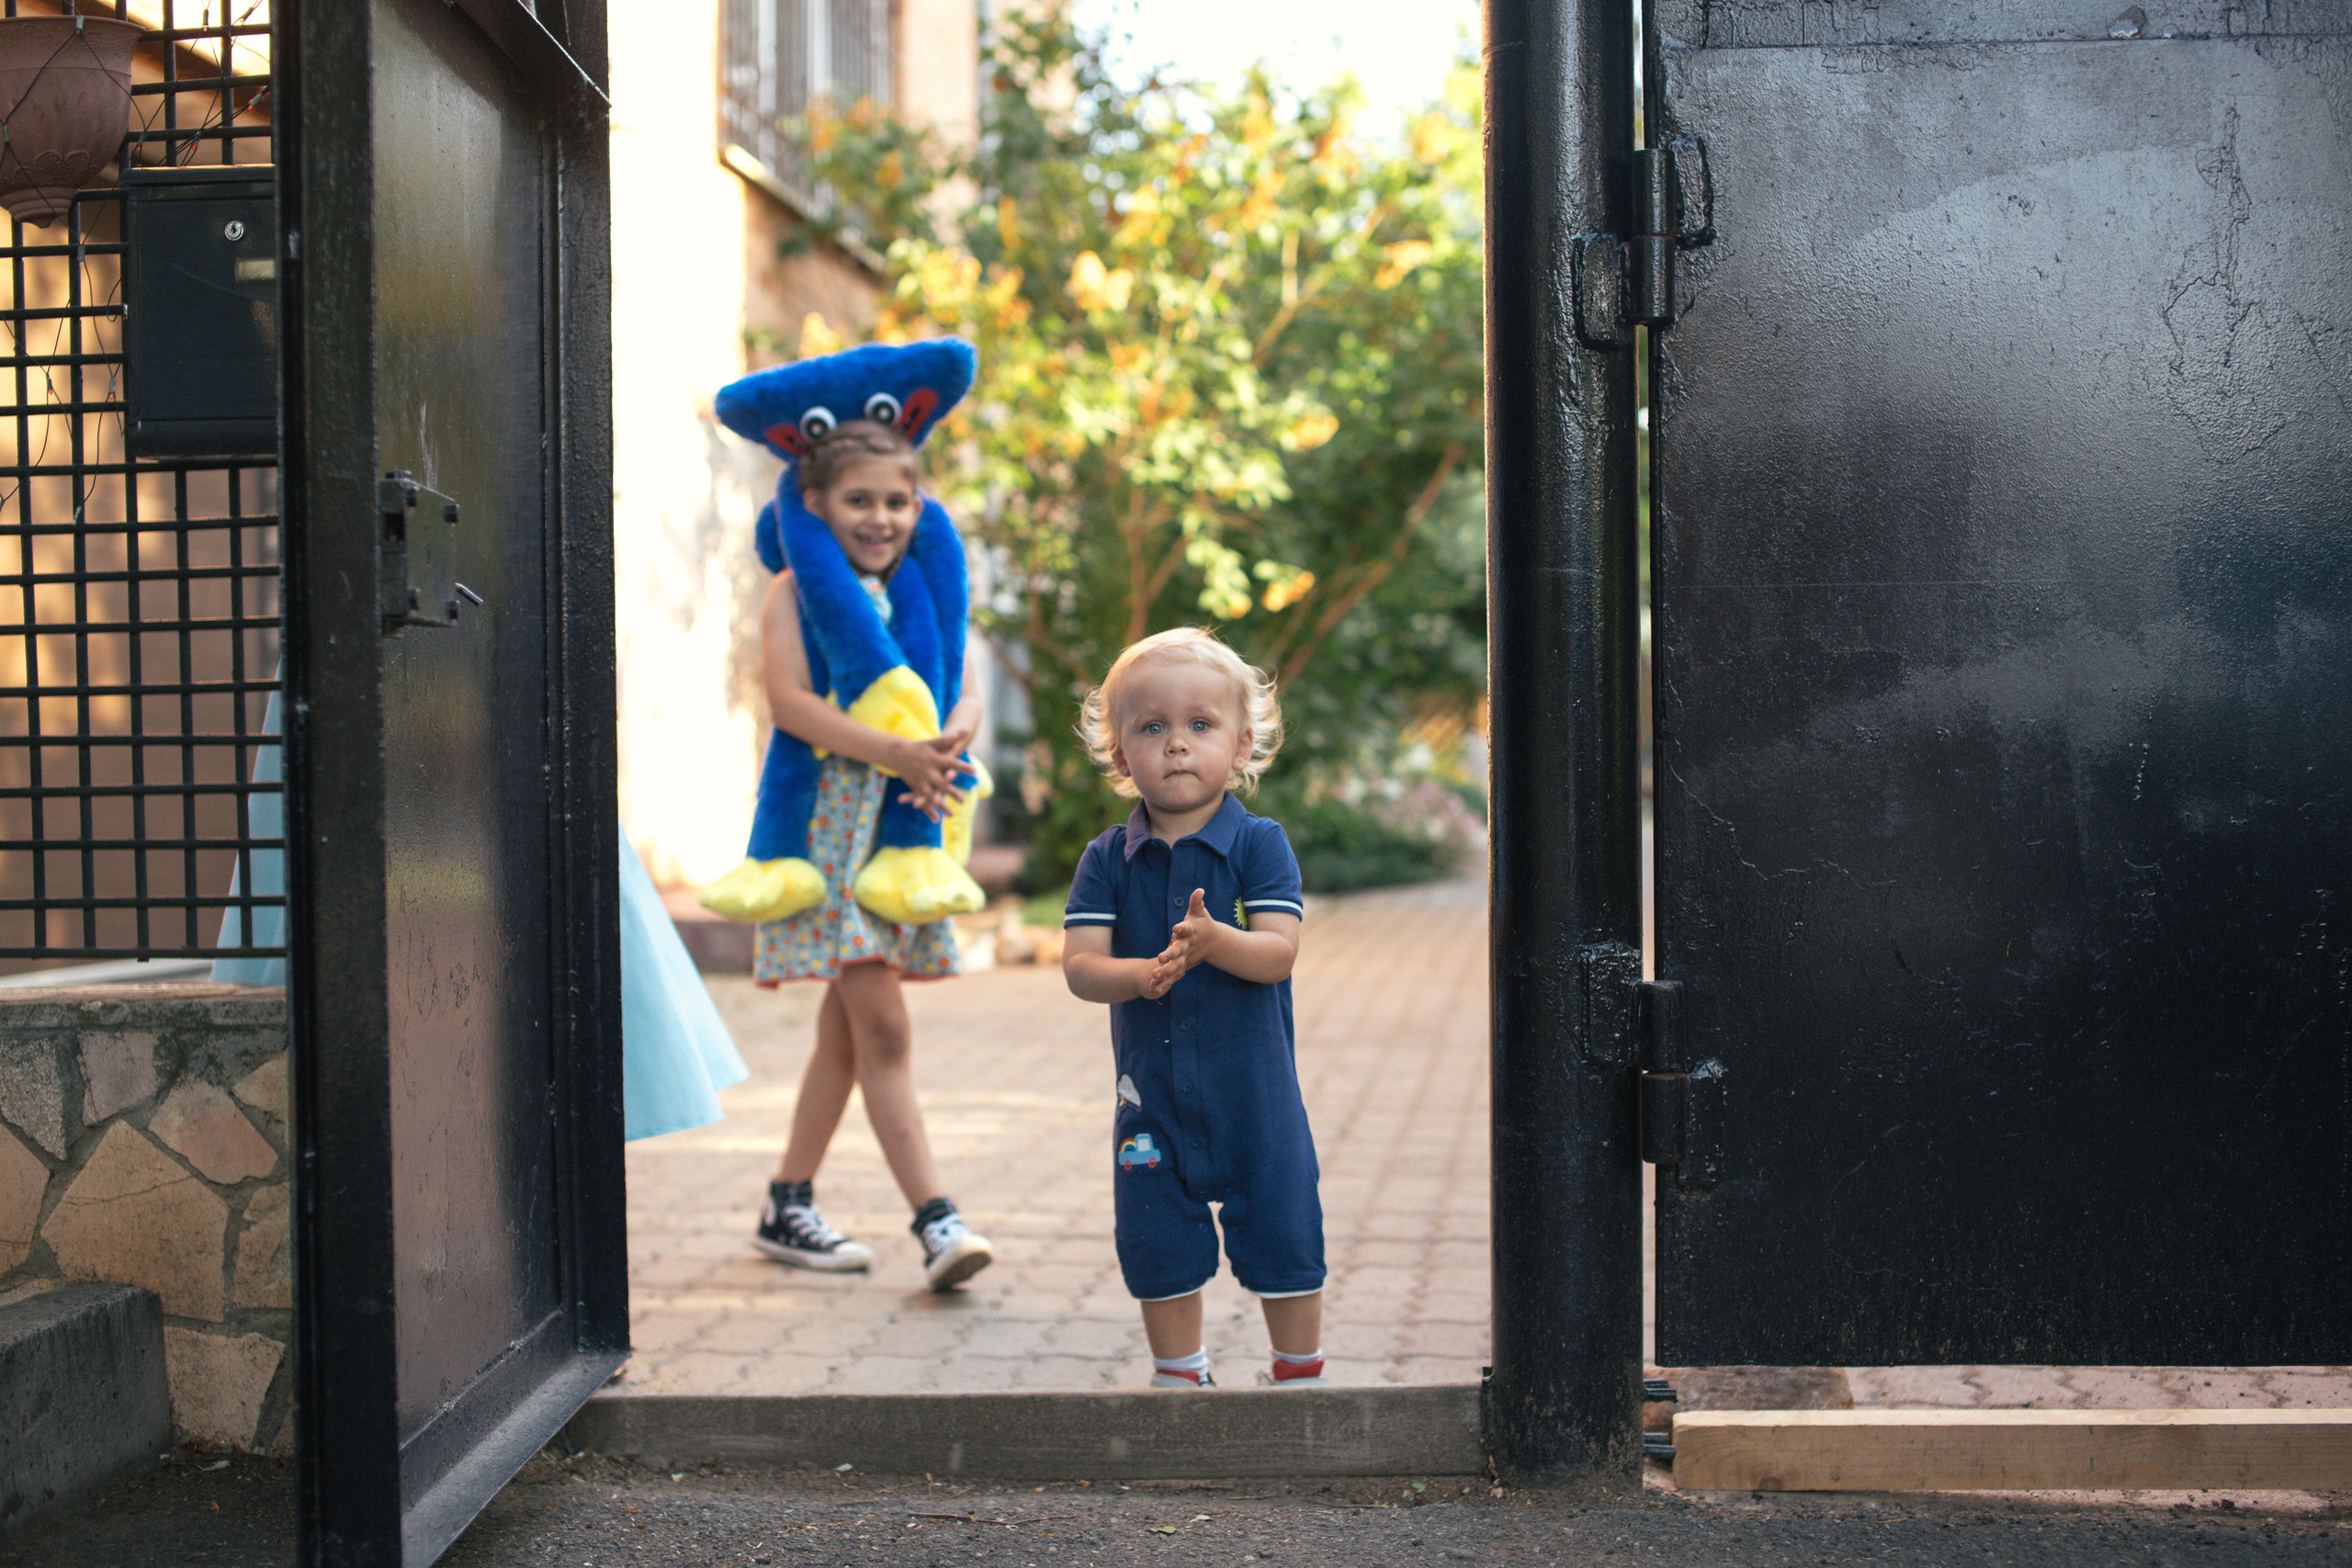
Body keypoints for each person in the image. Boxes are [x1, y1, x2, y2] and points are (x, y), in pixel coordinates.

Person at [748, 419, 993, 1292]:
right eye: (859, 499)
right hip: (829, 836)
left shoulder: (925, 589)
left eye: (897, 499)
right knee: (882, 1026)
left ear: (918, 505)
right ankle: (937, 1219)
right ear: (814, 503)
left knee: (847, 1039)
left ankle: (787, 1201)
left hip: (901, 831)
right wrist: (895, 753)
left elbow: (959, 686)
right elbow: (790, 705)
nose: (880, 516)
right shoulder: (793, 593)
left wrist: (954, 731)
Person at [1058, 627, 1325, 1388]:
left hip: (1256, 1097)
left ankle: (1299, 1377)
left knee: (1283, 1225)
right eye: (1152, 727)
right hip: (1152, 1103)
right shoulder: (1107, 859)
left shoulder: (1260, 846)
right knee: (1154, 1236)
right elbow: (1081, 967)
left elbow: (1278, 952)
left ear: (1241, 747)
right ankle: (1179, 1377)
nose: (1177, 744)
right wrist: (1139, 975)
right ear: (1120, 754)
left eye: (1199, 725)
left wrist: (1215, 940)